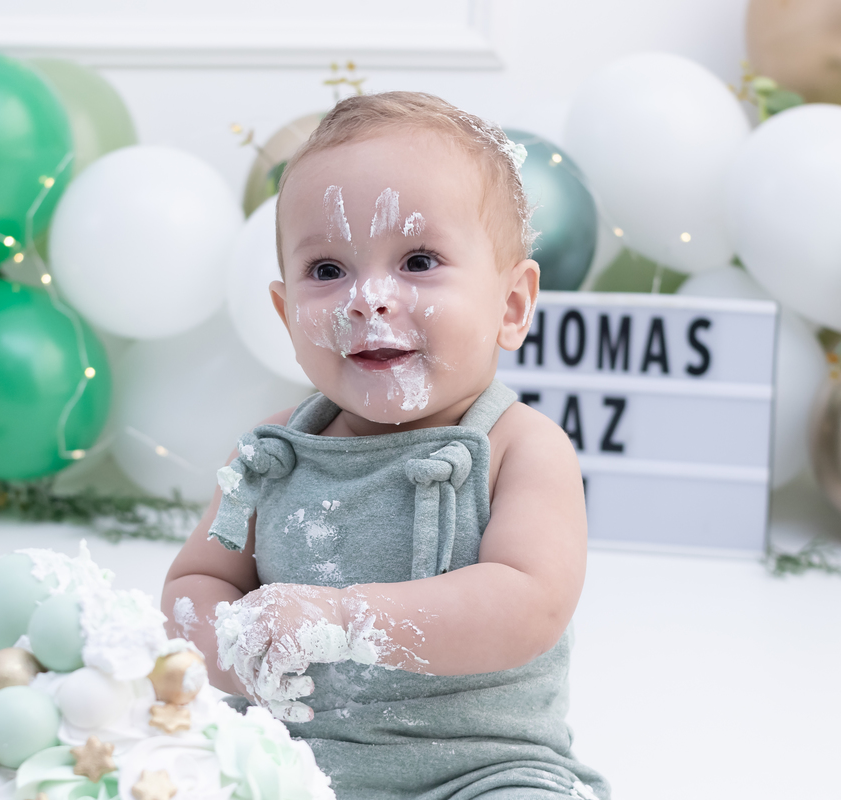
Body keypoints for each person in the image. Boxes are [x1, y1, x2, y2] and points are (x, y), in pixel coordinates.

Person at [161, 91, 607, 800]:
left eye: (419, 260)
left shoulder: (520, 448)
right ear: (286, 314)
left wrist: (344, 619)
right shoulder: (272, 455)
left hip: (480, 771)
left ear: (512, 305)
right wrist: (234, 648)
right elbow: (193, 586)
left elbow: (530, 603)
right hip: (285, 770)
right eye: (327, 271)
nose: (367, 297)